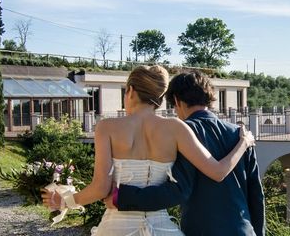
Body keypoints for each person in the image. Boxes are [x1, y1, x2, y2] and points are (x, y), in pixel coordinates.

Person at [41, 65, 255, 236]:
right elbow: (218, 172)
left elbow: (100, 188)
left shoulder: (107, 128)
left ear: (131, 91)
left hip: (116, 228)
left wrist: (67, 201)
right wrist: (243, 144)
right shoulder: (176, 128)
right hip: (161, 227)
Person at [105, 70, 265, 236]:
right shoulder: (240, 134)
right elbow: (256, 195)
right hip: (244, 231)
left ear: (176, 101)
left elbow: (177, 191)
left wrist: (121, 197)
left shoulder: (183, 134)